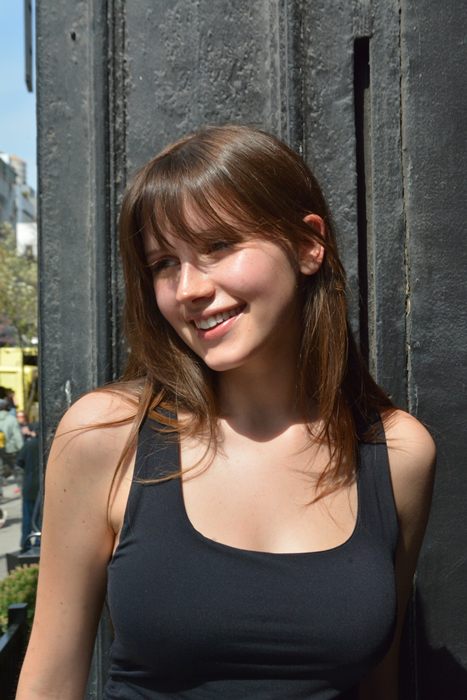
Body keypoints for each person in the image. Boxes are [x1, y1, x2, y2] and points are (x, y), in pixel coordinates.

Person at [17, 125, 435, 699]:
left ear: (307, 244)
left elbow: (379, 684)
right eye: (165, 263)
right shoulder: (107, 436)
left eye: (218, 245)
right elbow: (49, 682)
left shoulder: (397, 454)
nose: (188, 287)